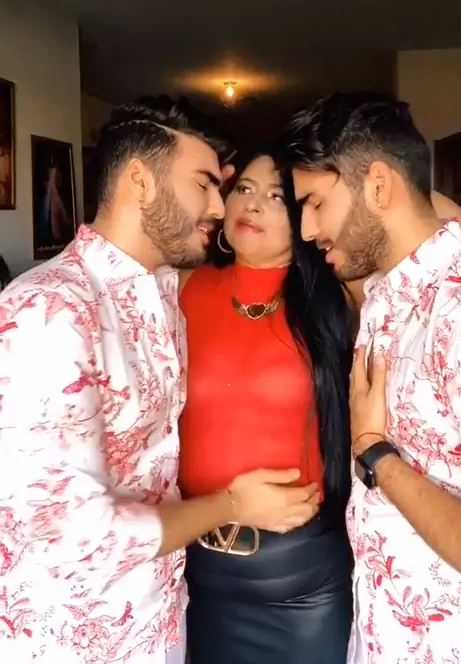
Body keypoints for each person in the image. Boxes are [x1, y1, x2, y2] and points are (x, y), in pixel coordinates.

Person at [0, 98, 319, 664]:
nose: (221, 206)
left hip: (164, 616)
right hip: (72, 638)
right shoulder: (47, 312)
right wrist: (232, 504)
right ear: (140, 182)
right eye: (205, 184)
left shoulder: (164, 292)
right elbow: (76, 535)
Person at [278, 91, 461, 664]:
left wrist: (375, 453)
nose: (307, 229)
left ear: (378, 186)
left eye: (315, 202)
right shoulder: (387, 298)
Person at [179, 149, 355, 664]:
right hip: (197, 570)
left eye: (277, 196)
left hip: (300, 584)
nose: (252, 205)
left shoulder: (335, 299)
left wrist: (370, 166)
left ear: (305, 217)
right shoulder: (183, 287)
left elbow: (436, 234)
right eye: (243, 189)